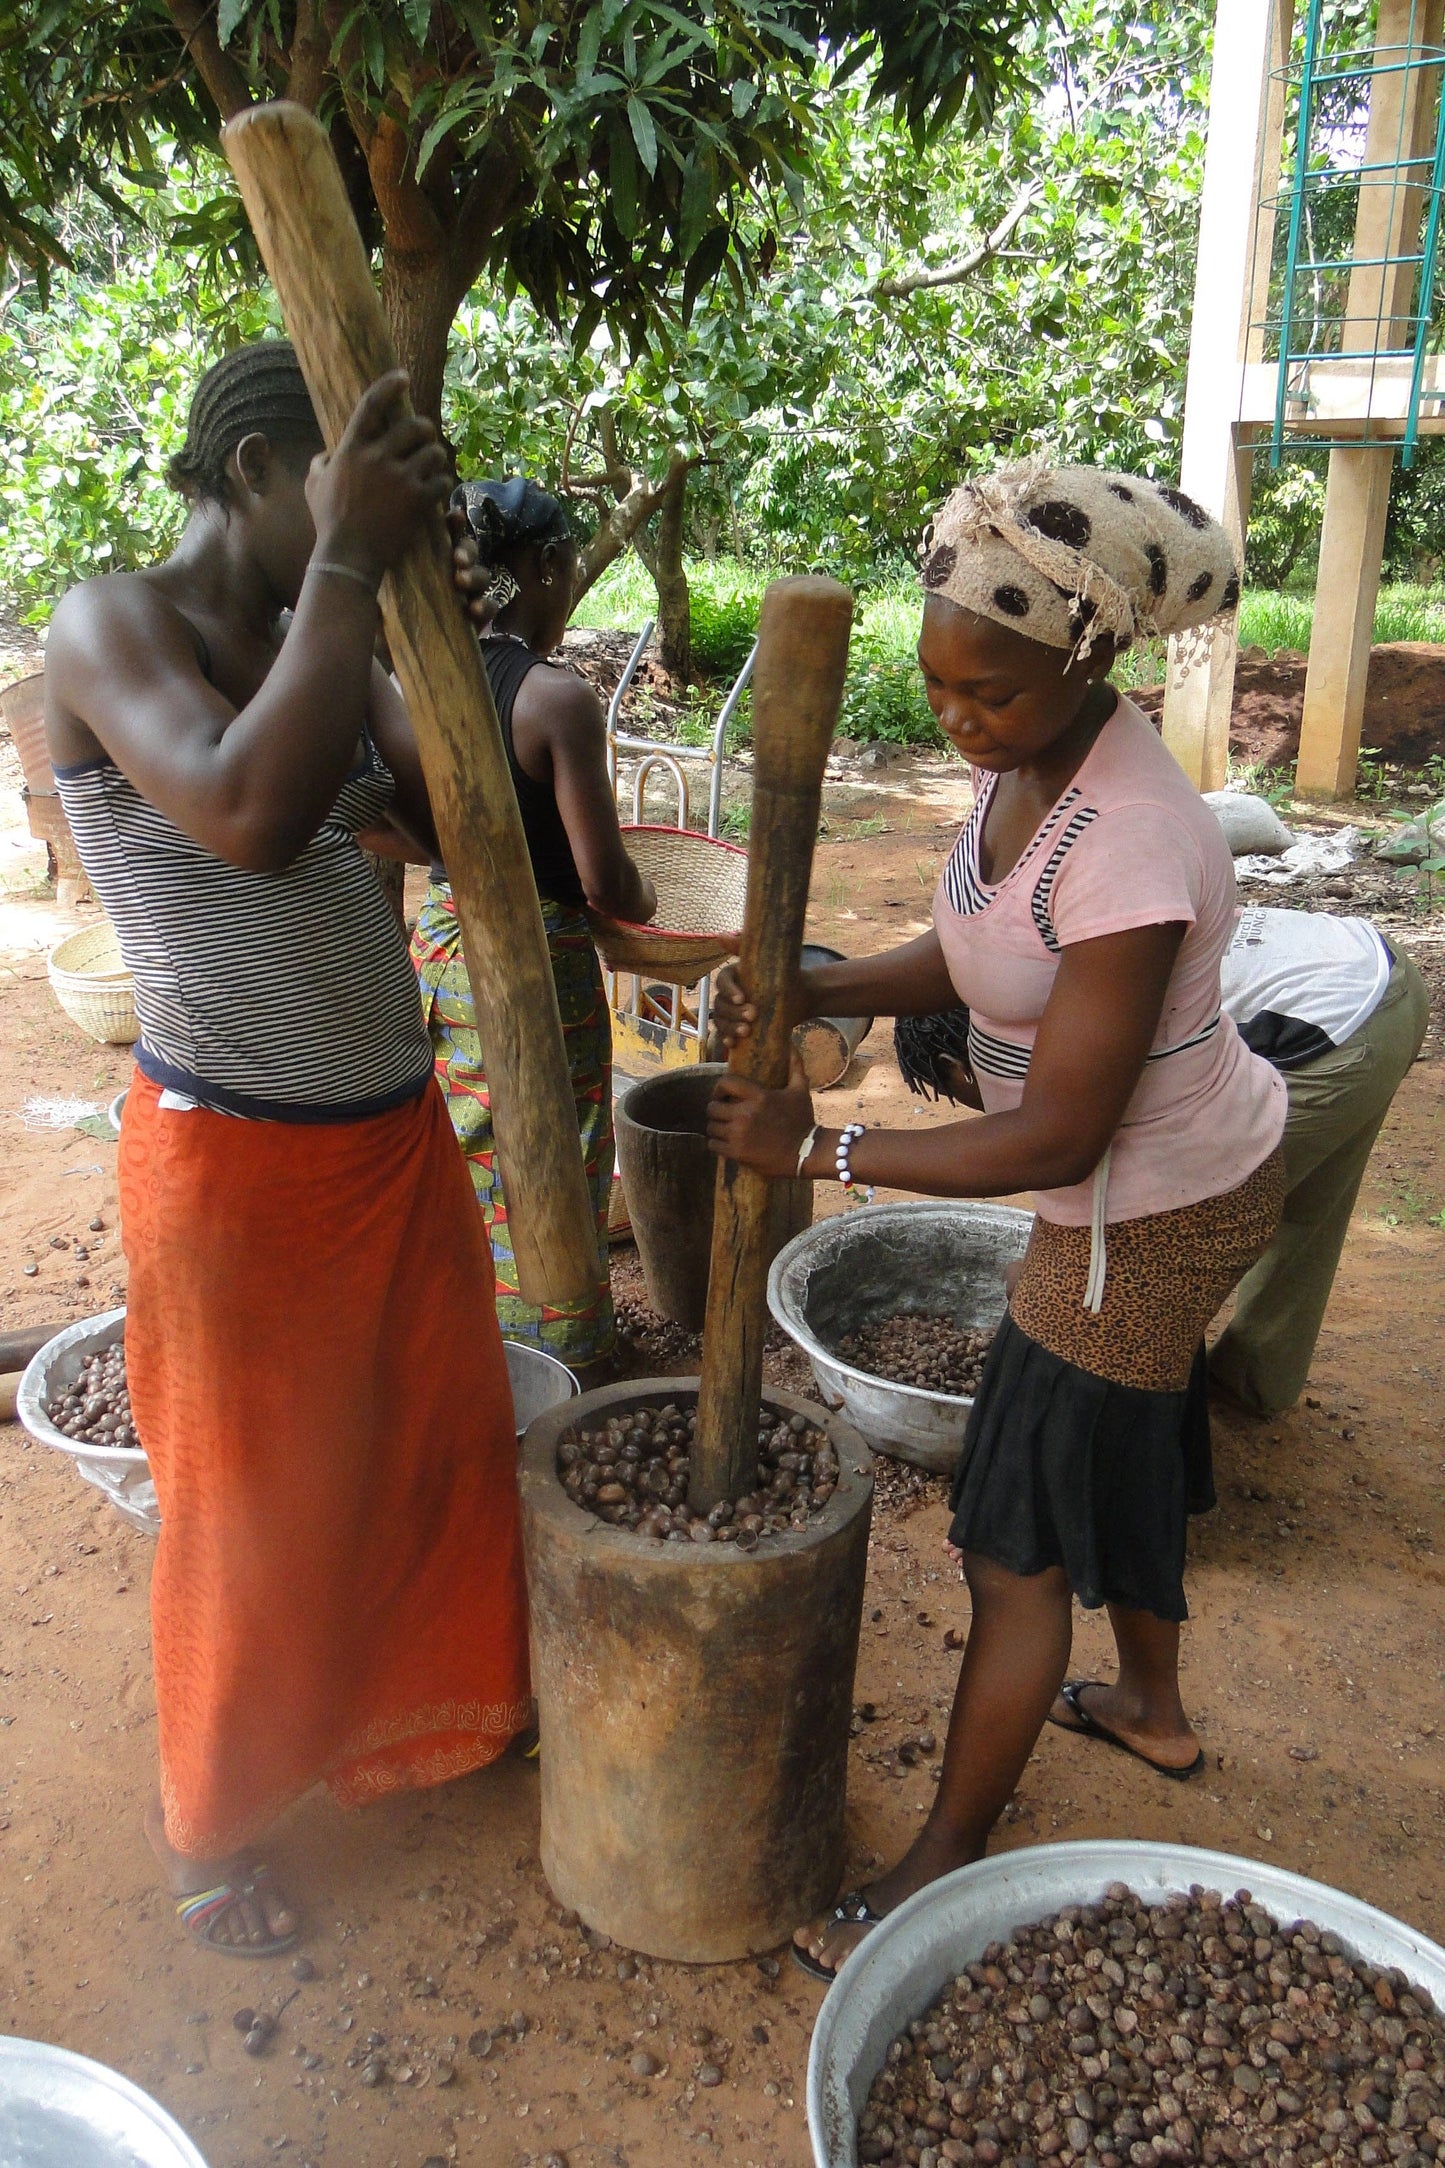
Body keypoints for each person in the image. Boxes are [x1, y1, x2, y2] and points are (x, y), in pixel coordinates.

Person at [708, 462, 1287, 1980]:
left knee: (1014, 1548)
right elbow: (978, 950)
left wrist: (822, 1149)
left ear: (1085, 657)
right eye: (937, 687)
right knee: (1134, 1431)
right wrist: (819, 981)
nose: (958, 721)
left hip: (1148, 1211)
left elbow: (1059, 1131)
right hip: (1125, 1195)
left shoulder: (1136, 843)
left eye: (988, 695)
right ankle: (1151, 1713)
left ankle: (938, 1865)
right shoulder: (1024, 757)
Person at [44, 342, 532, 1957]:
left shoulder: (305, 625)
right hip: (238, 1164)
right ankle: (220, 1816)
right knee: (256, 1502)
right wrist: (347, 566)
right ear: (259, 466)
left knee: (432, 1443)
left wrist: (416, 612)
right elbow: (246, 810)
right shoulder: (115, 621)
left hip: (389, 1138)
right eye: (340, 482)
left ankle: (426, 1720)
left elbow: (463, 809)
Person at [897, 904, 1430, 1416]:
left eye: (959, 1092)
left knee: (1172, 1239)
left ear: (960, 1068)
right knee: (1306, 1208)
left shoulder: (1077, 1024)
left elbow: (1114, 1180)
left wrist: (1042, 1277)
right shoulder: (1043, 976)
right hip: (1377, 976)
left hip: (1326, 1034)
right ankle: (1255, 1382)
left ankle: (1146, 1425)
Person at [410, 475, 655, 1381]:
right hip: (537, 957)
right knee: (559, 1137)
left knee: (465, 1140)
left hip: (441, 943)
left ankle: (470, 1343)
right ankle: (568, 1354)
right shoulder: (553, 700)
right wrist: (644, 902)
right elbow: (606, 881)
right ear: (549, 567)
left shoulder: (420, 676)